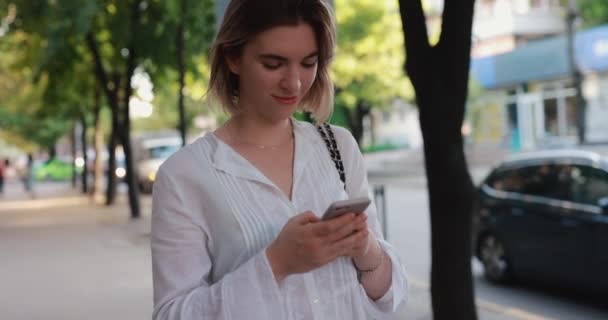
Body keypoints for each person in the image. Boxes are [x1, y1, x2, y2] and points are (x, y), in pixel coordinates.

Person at [151, 1, 408, 319]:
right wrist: (276, 264)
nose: (295, 83)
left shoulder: (338, 147)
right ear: (233, 57)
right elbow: (172, 314)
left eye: (308, 63)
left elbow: (389, 296)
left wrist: (365, 248)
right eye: (273, 64)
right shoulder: (184, 176)